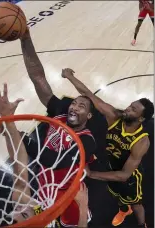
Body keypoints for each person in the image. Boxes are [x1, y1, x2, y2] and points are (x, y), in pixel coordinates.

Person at [0, 28, 96, 227]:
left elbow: (52, 161)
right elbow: (38, 78)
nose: (75, 107)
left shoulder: (87, 140)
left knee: (72, 222)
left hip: (68, 193)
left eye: (82, 106)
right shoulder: (60, 113)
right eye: (74, 103)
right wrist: (25, 38)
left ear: (89, 116)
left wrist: (11, 127)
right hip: (45, 189)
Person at [0, 83, 89, 227]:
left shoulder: (25, 206)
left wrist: (8, 120)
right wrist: (83, 206)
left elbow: (19, 166)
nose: (20, 208)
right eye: (24, 214)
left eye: (14, 211)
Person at [61, 68, 154, 228]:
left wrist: (92, 174)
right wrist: (69, 77)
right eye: (130, 106)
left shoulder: (141, 141)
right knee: (116, 196)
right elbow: (89, 95)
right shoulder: (114, 116)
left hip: (129, 178)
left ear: (141, 118)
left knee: (136, 203)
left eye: (133, 110)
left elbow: (124, 175)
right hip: (111, 168)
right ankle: (124, 210)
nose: (127, 109)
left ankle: (141, 224)